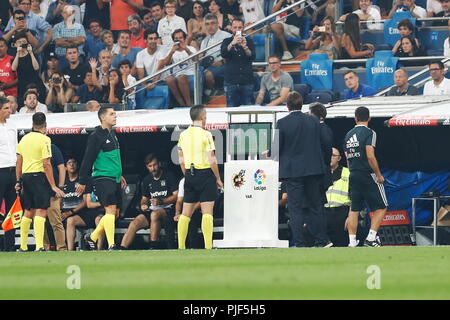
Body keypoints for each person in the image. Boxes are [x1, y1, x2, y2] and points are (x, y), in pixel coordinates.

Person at [276, 92, 331, 248]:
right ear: (302, 105)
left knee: (295, 208)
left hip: (293, 172)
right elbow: (325, 142)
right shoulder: (313, 121)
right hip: (313, 170)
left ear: (287, 106)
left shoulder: (282, 123)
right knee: (315, 206)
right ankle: (321, 241)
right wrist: (325, 164)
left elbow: (277, 148)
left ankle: (299, 243)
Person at [77, 107, 127, 251]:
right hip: (102, 177)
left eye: (115, 114)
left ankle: (92, 237)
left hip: (114, 177)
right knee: (110, 209)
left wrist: (120, 173)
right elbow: (88, 158)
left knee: (115, 212)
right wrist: (82, 180)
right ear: (103, 118)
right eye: (112, 114)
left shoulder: (112, 134)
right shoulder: (96, 135)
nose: (115, 116)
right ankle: (112, 245)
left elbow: (113, 158)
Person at [16, 112, 65, 252]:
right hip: (39, 177)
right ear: (45, 126)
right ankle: (39, 246)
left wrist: (18, 180)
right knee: (41, 211)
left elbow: (19, 162)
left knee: (28, 211)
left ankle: (23, 246)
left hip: (26, 177)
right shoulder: (45, 140)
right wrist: (53, 185)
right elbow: (46, 164)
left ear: (32, 125)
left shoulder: (23, 139)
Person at [177, 105, 223, 249]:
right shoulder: (206, 134)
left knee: (185, 213)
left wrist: (188, 175)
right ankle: (208, 247)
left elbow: (181, 159)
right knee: (207, 212)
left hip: (190, 174)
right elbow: (212, 159)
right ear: (202, 117)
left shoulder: (183, 135)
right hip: (205, 174)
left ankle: (180, 247)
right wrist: (217, 178)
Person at [344, 106, 387, 247]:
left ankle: (351, 242)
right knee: (382, 207)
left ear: (355, 118)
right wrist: (379, 175)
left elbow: (348, 159)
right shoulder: (370, 133)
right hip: (367, 174)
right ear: (369, 118)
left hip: (353, 174)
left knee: (354, 209)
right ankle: (371, 238)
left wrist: (352, 173)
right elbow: (370, 155)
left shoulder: (348, 134)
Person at [120, 154, 178, 249]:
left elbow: (177, 196)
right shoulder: (147, 180)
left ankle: (153, 246)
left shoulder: (168, 175)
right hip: (152, 209)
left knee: (155, 214)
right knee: (135, 222)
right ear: (147, 167)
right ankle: (122, 248)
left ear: (159, 164)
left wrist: (162, 201)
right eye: (150, 166)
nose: (153, 168)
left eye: (154, 165)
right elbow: (144, 199)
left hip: (168, 209)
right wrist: (143, 205)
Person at [63, 158, 105, 251]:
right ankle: (70, 250)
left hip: (100, 213)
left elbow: (86, 203)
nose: (72, 165)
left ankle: (99, 249)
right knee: (70, 220)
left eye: (74, 162)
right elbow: (89, 203)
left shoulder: (85, 180)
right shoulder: (88, 181)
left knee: (99, 219)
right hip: (87, 213)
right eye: (69, 163)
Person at [220, 18, 256, 107]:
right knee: (231, 109)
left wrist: (245, 47)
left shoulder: (248, 40)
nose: (237, 30)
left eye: (239, 27)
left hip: (246, 80)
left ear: (243, 28)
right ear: (231, 28)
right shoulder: (226, 41)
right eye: (235, 27)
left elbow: (253, 57)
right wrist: (232, 43)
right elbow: (223, 54)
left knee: (249, 109)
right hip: (231, 81)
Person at [159, 29, 197, 107]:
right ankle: (181, 103)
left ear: (184, 39)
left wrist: (186, 49)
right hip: (177, 75)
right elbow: (165, 63)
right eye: (176, 38)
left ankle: (188, 103)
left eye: (180, 38)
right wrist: (171, 52)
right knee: (169, 79)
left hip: (190, 74)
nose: (179, 40)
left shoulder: (191, 48)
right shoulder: (172, 50)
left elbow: (196, 59)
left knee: (181, 77)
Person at [200, 13, 231, 99]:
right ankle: (203, 94)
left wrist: (221, 61)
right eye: (207, 24)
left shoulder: (226, 36)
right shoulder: (205, 41)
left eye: (212, 23)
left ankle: (210, 94)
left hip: (225, 64)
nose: (210, 26)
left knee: (208, 74)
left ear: (217, 24)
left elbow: (232, 53)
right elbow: (201, 56)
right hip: (209, 65)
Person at [324, 148, 350, 247]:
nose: (330, 158)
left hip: (342, 213)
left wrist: (350, 216)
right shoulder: (321, 172)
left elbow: (355, 196)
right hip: (324, 213)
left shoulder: (347, 173)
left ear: (339, 158)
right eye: (328, 155)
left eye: (333, 155)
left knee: (341, 244)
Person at [0, 97, 17, 251]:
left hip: (12, 171)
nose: (9, 110)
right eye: (5, 108)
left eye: (9, 107)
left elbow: (17, 151)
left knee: (12, 211)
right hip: (0, 171)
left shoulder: (13, 126)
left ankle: (10, 246)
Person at [11, 34, 46, 106]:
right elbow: (13, 68)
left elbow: (36, 67)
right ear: (15, 45)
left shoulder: (33, 54)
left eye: (24, 42)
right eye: (19, 42)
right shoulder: (14, 58)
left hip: (35, 83)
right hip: (22, 85)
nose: (22, 44)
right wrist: (18, 53)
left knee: (38, 104)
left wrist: (31, 52)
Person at [43, 143, 66, 251]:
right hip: (38, 190)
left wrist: (61, 187)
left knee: (56, 221)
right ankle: (43, 247)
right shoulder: (32, 148)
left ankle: (62, 248)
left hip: (53, 192)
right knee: (39, 221)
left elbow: (61, 167)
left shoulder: (52, 147)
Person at [173, 177, 202, 248]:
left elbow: (204, 200)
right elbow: (179, 201)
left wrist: (186, 212)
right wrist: (177, 213)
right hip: (187, 209)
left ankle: (193, 246)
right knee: (170, 219)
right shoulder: (183, 181)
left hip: (200, 209)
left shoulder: (202, 178)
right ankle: (174, 247)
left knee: (192, 217)